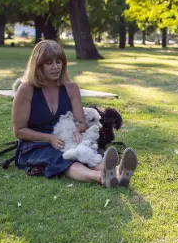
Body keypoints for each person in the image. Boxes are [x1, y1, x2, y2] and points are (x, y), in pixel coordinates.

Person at [12, 40, 138, 188]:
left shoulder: (71, 88)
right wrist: (49, 138)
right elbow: (19, 131)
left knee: (85, 153)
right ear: (38, 66)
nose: (55, 67)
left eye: (59, 62)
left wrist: (75, 131)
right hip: (37, 145)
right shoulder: (26, 89)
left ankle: (119, 173)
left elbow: (81, 123)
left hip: (68, 140)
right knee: (62, 158)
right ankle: (101, 177)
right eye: (49, 63)